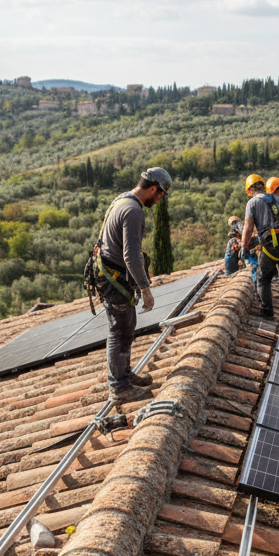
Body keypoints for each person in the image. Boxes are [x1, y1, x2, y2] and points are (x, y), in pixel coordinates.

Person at [96, 167, 169, 404]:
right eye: (160, 196)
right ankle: (118, 387)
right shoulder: (133, 211)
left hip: (113, 278)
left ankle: (124, 375)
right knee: (118, 332)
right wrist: (146, 289)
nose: (159, 201)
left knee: (127, 327)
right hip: (114, 280)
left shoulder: (121, 200)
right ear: (153, 189)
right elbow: (132, 256)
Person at [243, 174, 279, 326]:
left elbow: (248, 228)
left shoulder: (252, 202)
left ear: (249, 190)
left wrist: (244, 247)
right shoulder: (278, 199)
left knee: (263, 278)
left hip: (271, 246)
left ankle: (267, 313)